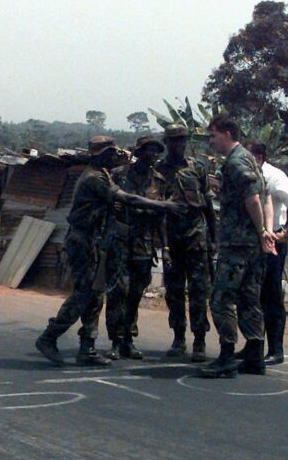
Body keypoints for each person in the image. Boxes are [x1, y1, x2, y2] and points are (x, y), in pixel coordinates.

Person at [36, 136, 182, 366]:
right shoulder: (95, 178)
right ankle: (50, 336)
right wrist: (163, 205)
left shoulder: (103, 174)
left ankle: (87, 347)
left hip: (97, 241)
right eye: (109, 152)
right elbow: (127, 198)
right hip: (83, 240)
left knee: (95, 295)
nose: (114, 156)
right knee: (84, 294)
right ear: (98, 154)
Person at [199, 117, 277, 378]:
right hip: (251, 245)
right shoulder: (250, 160)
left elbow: (253, 199)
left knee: (221, 299)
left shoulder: (235, 162)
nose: (211, 141)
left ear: (227, 133)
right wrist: (264, 232)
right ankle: (255, 355)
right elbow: (265, 196)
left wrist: (261, 230)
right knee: (248, 298)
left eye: (213, 136)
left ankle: (226, 355)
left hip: (238, 244)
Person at [155, 123, 217, 362]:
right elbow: (158, 210)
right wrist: (163, 246)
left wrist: (214, 238)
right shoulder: (159, 170)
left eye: (182, 140)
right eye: (174, 140)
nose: (178, 145)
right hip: (172, 238)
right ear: (167, 143)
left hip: (196, 238)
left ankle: (199, 339)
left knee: (199, 291)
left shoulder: (197, 168)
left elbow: (208, 205)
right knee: (174, 291)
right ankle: (178, 337)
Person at [243, 141, 288, 365]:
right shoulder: (247, 176)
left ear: (259, 157)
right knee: (252, 296)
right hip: (250, 242)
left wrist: (286, 234)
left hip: (272, 242)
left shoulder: (274, 176)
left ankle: (275, 349)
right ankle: (253, 345)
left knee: (271, 296)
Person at [104, 135, 166, 359]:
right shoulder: (119, 175)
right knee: (118, 291)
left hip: (144, 243)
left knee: (135, 293)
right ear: (139, 152)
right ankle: (114, 340)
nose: (154, 155)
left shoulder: (158, 181)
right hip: (120, 241)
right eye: (150, 150)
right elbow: (108, 206)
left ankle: (128, 339)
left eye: (157, 151)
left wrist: (164, 247)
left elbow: (161, 216)